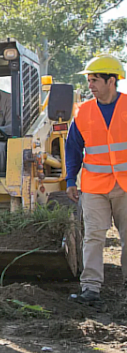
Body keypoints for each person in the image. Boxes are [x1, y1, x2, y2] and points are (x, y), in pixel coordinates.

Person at [64, 55, 127, 306]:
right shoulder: (84, 112)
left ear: (111, 81)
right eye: (89, 80)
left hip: (125, 186)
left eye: (95, 80)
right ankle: (90, 288)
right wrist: (70, 180)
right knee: (93, 237)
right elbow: (72, 148)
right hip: (93, 187)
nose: (90, 85)